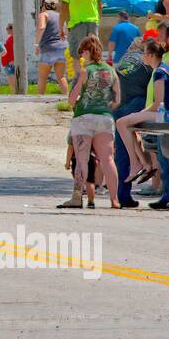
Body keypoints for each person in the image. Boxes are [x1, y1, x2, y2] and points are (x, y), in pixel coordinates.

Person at [58, 35, 121, 209]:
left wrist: (78, 101)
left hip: (83, 118)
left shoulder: (86, 71)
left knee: (82, 159)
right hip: (105, 119)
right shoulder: (111, 71)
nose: (82, 56)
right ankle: (114, 199)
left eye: (82, 52)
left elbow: (71, 99)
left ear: (87, 51)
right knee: (108, 159)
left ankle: (77, 198)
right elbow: (117, 100)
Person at [111, 36, 153, 207]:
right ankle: (146, 164)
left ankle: (122, 194)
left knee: (121, 152)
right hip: (136, 102)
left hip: (117, 106)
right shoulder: (146, 62)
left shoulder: (123, 61)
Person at [59, 0, 103, 64]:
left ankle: (79, 77)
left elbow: (63, 10)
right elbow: (100, 6)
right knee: (94, 50)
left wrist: (61, 27)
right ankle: (95, 75)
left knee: (76, 53)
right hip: (93, 22)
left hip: (76, 24)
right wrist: (97, 20)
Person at [34, 0, 69, 96]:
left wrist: (37, 45)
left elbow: (41, 28)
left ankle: (40, 100)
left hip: (49, 48)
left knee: (42, 77)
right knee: (61, 76)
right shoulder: (60, 16)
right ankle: (67, 99)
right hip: (62, 47)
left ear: (44, 6)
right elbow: (65, 33)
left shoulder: (43, 15)